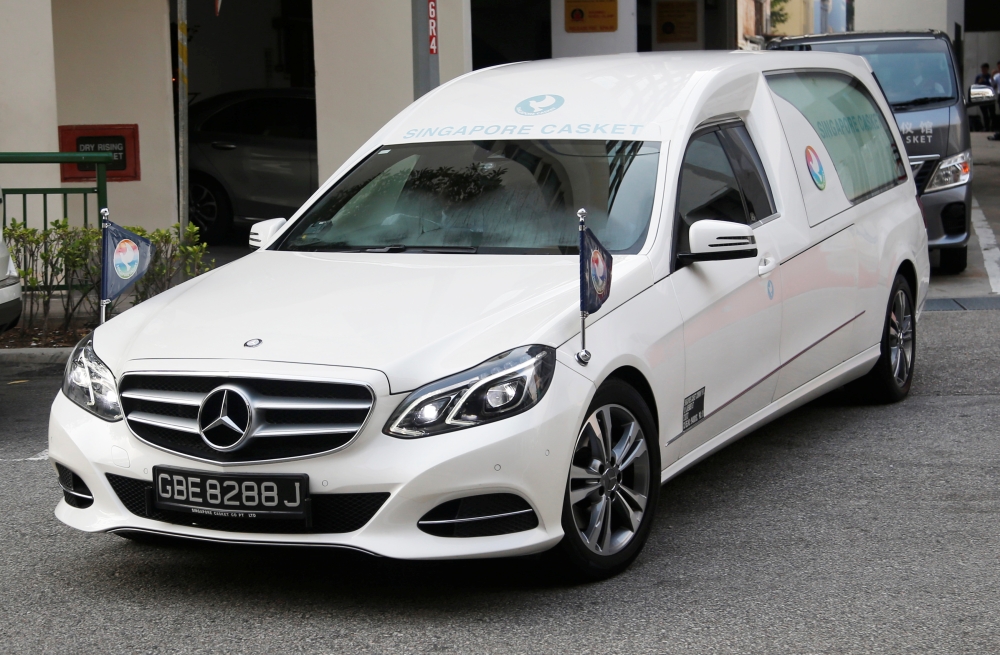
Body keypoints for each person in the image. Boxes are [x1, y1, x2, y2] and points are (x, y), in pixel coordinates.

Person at [975, 63, 995, 132]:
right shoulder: (979, 77)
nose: (983, 70)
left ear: (987, 69)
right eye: (982, 69)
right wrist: (979, 82)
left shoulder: (990, 77)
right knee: (985, 113)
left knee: (992, 113)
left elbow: (993, 86)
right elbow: (976, 86)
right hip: (982, 97)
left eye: (984, 69)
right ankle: (986, 127)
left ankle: (993, 127)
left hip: (990, 97)